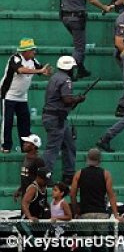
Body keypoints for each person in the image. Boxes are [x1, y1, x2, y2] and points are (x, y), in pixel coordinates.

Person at [61, 0, 113, 79]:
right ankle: (69, 72)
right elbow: (91, 0)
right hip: (76, 18)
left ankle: (81, 69)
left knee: (78, 44)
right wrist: (104, 7)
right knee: (79, 48)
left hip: (66, 17)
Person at [1, 38, 51, 153]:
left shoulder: (33, 60)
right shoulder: (15, 58)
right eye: (32, 50)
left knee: (24, 122)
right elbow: (21, 70)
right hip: (8, 95)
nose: (34, 52)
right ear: (25, 51)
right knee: (8, 121)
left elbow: (41, 69)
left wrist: (45, 72)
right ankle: (6, 146)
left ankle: (25, 146)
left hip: (22, 96)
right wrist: (39, 71)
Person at [42, 56, 84, 184]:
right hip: (57, 118)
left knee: (69, 145)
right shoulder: (66, 80)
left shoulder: (55, 77)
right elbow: (66, 99)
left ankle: (69, 175)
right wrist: (78, 99)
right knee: (53, 148)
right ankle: (45, 176)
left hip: (55, 117)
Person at [70, 148, 123, 220]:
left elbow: (72, 195)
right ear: (100, 160)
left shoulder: (79, 174)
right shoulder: (106, 174)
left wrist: (76, 211)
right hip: (102, 214)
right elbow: (111, 196)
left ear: (87, 158)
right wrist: (116, 215)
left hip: (85, 214)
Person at [13, 134, 45, 202]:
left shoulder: (38, 160)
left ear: (34, 146)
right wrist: (20, 190)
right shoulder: (26, 157)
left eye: (27, 143)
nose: (24, 144)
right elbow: (26, 176)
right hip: (25, 193)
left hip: (33, 196)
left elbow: (42, 180)